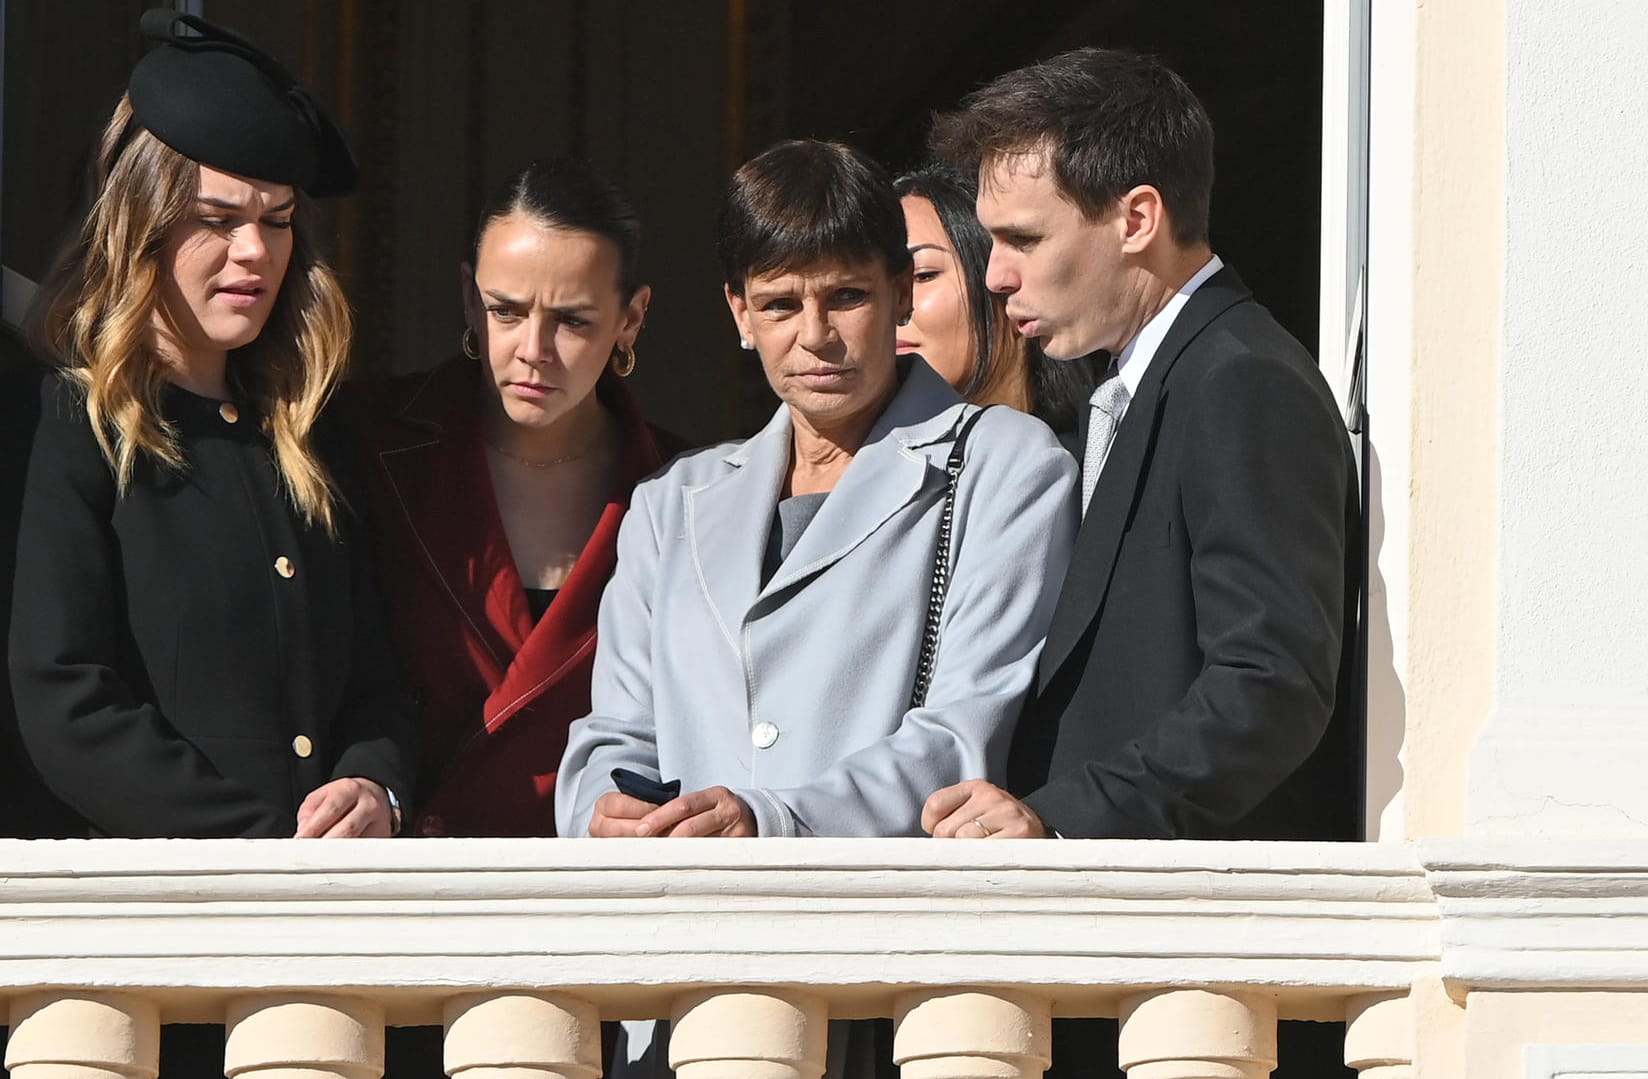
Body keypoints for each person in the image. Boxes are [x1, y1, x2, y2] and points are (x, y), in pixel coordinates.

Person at [556, 138, 1077, 1078]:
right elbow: (611, 737)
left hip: (885, 986)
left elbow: (963, 737)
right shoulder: (670, 503)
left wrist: (773, 818)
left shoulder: (1007, 464)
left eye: (847, 296)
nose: (816, 336)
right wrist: (606, 812)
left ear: (901, 294)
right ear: (737, 314)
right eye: (780, 304)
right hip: (682, 993)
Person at [917, 47, 1361, 1079]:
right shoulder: (1136, 387)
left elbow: (1273, 684)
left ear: (1136, 218)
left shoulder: (1240, 379)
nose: (994, 274)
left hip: (1192, 990)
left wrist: (1059, 816)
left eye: (1023, 238)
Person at [0, 10, 415, 844]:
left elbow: (378, 686)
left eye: (277, 220)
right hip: (132, 934)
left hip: (325, 919)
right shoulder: (47, 426)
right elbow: (65, 707)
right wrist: (263, 849)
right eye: (220, 218)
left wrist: (375, 783)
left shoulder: (309, 439)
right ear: (144, 221)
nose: (256, 253)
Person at [342, 158, 686, 840]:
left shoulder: (687, 490)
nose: (534, 349)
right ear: (470, 298)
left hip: (584, 895)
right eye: (506, 310)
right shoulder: (362, 444)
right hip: (393, 882)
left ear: (631, 317)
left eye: (574, 321)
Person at [893, 163, 1099, 443]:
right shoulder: (863, 466)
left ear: (1004, 283)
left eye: (923, 275)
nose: (892, 307)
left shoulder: (1096, 464)